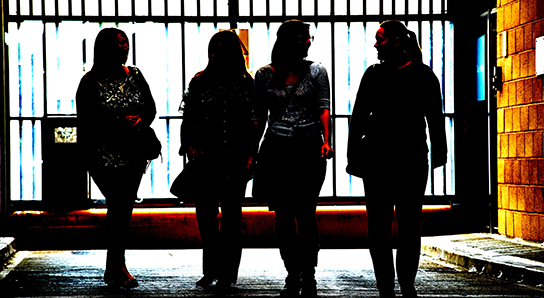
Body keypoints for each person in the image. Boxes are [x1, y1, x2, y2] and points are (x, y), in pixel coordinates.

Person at [346, 20, 448, 298]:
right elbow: (434, 120)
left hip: (385, 158)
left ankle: (392, 286)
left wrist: (353, 154)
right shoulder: (422, 75)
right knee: (406, 224)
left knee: (383, 226)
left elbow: (358, 120)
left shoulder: (376, 75)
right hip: (409, 158)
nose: (376, 44)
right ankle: (402, 285)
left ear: (397, 41)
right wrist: (439, 152)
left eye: (380, 38)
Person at [253, 20, 333, 297]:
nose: (307, 42)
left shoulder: (316, 71)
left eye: (308, 37)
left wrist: (327, 141)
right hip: (276, 150)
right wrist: (252, 151)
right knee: (284, 217)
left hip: (309, 147)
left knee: (306, 213)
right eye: (302, 37)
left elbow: (324, 107)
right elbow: (258, 116)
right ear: (286, 40)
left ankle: (308, 273)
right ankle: (292, 273)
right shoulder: (264, 75)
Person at [76, 28, 158, 289]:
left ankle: (116, 266)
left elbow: (150, 107)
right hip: (104, 155)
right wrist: (118, 124)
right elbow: (87, 120)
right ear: (105, 47)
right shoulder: (90, 81)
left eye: (126, 42)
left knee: (123, 208)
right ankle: (116, 266)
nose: (124, 47)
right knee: (119, 204)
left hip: (134, 152)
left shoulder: (134, 74)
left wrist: (140, 119)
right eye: (119, 43)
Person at [177, 30, 255, 290]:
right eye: (213, 49)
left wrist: (249, 152)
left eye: (222, 49)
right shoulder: (199, 81)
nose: (216, 54)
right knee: (206, 217)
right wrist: (189, 144)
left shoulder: (247, 82)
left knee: (232, 216)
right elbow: (188, 118)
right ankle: (211, 270)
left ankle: (227, 274)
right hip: (206, 158)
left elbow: (254, 121)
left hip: (235, 157)